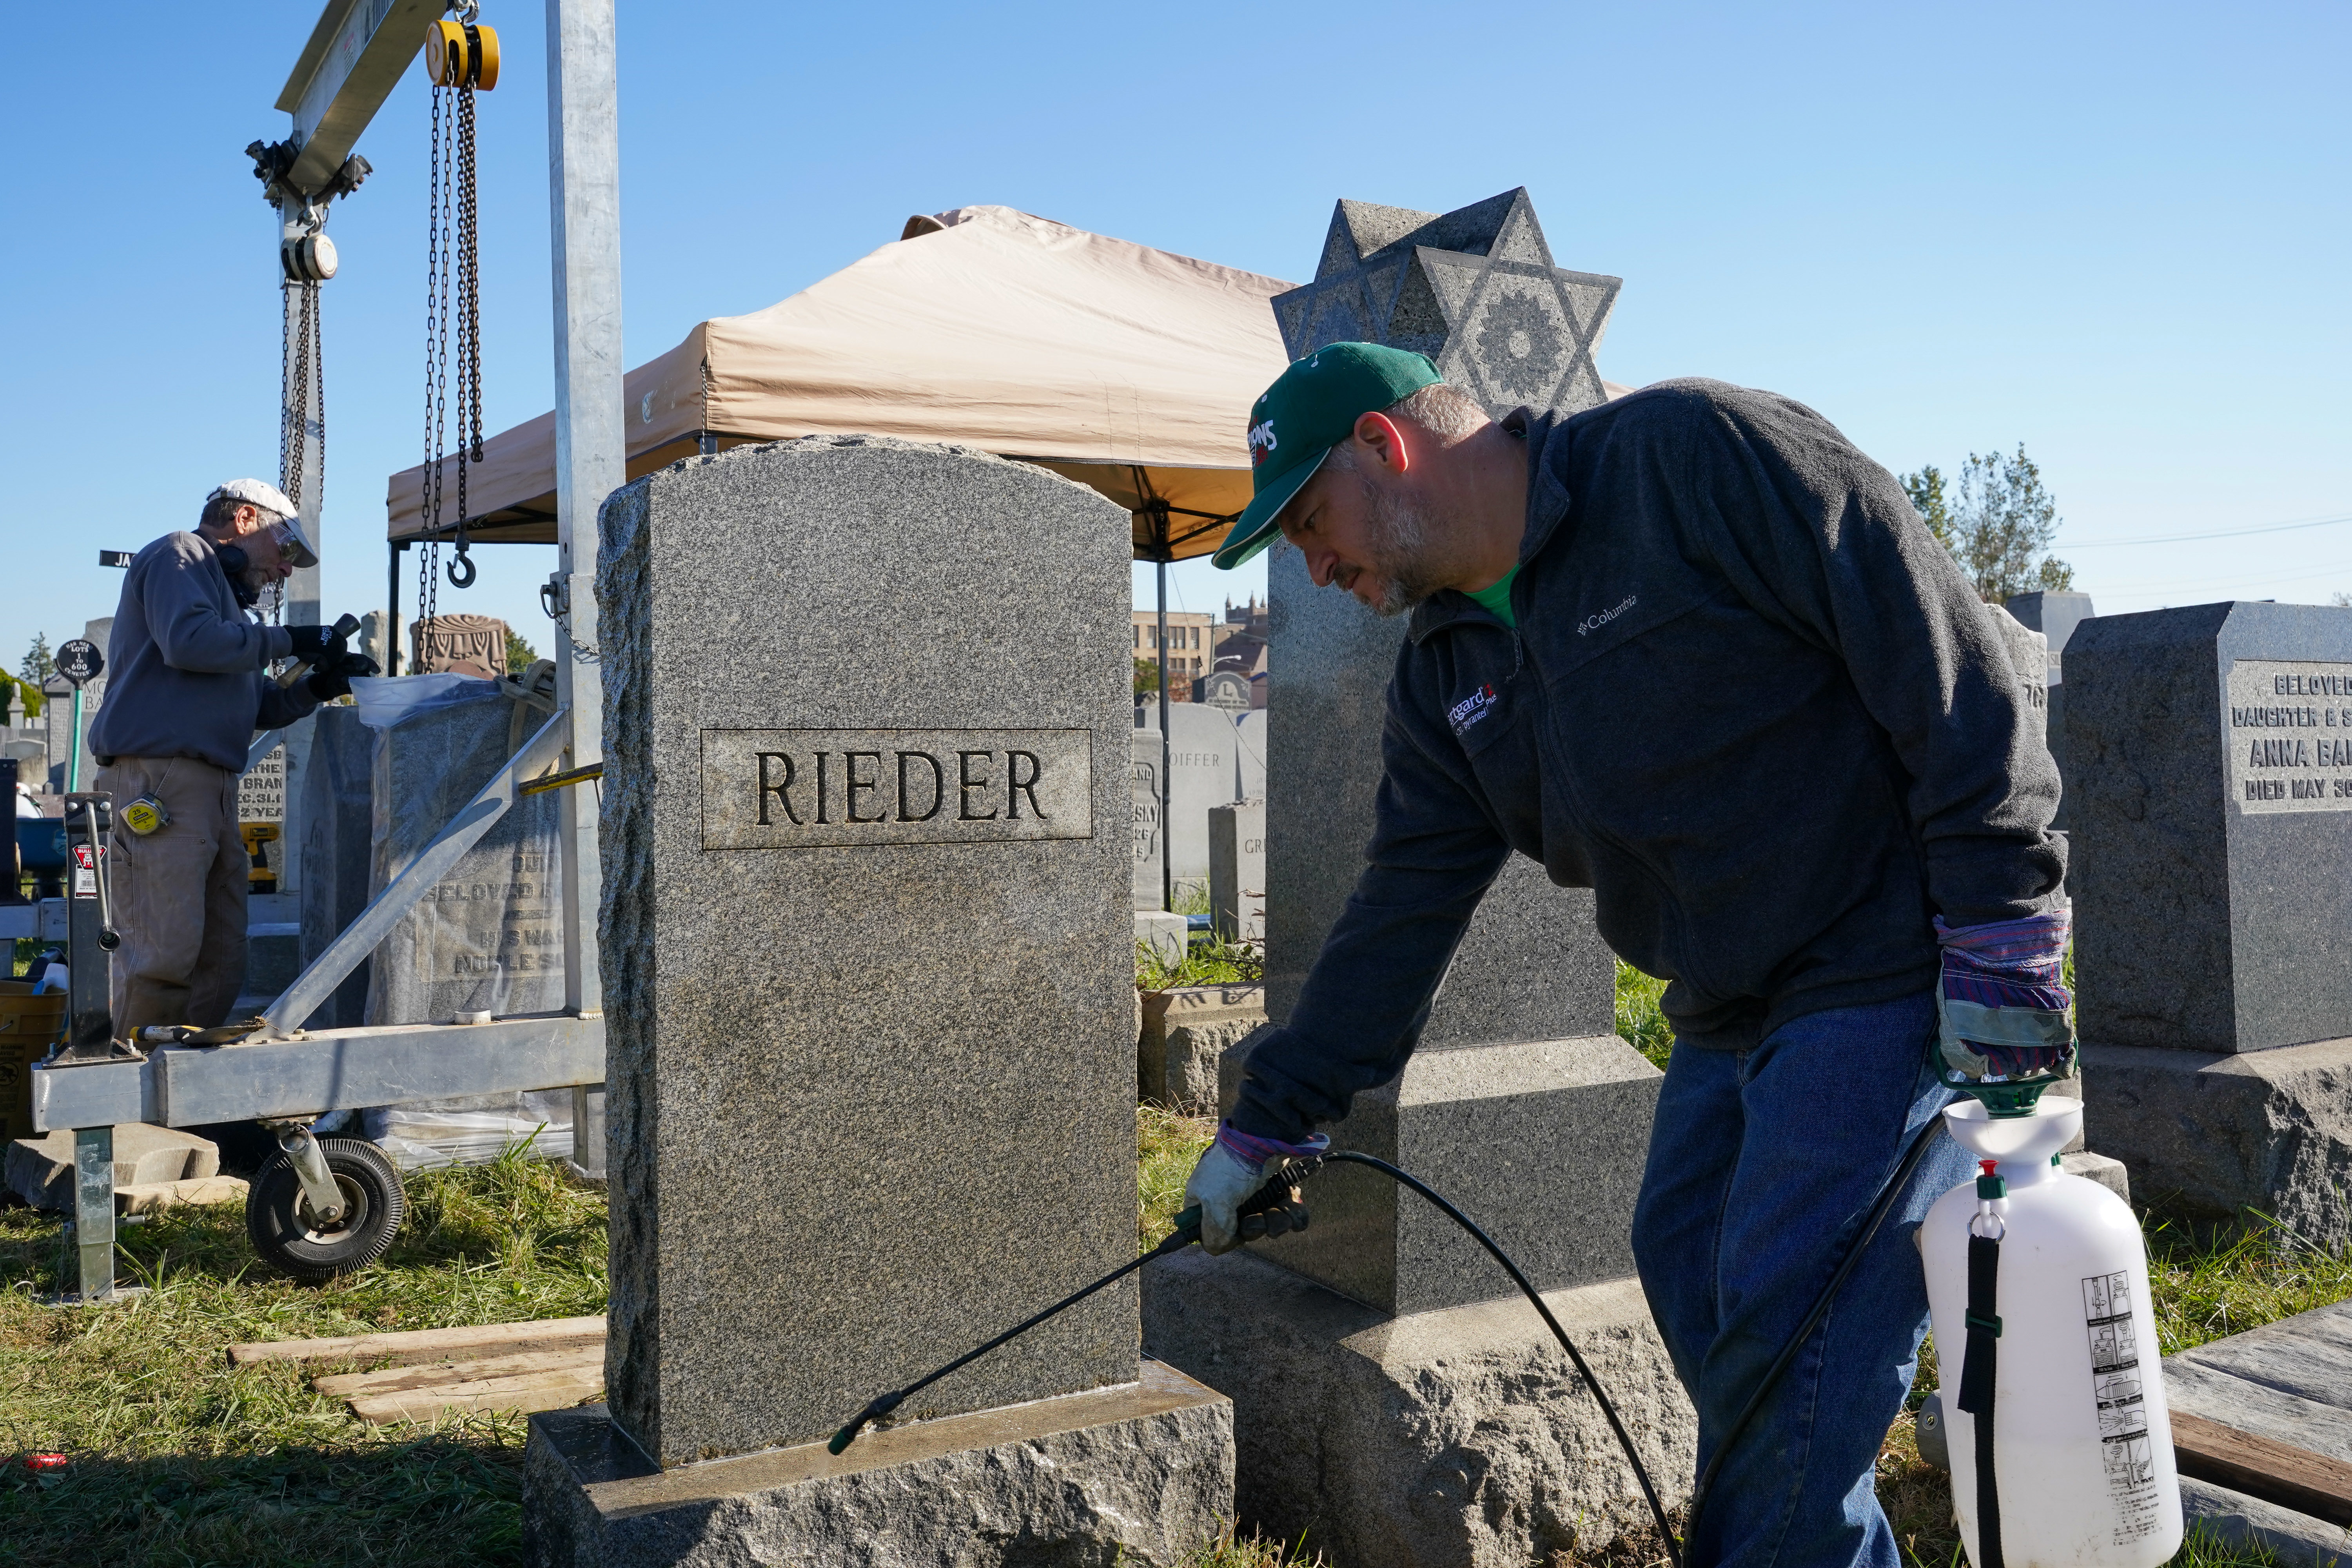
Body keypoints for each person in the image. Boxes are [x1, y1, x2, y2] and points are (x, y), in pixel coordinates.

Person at [1185, 344, 2071, 1568]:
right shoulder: (1449, 672)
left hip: (1882, 966)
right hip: (1723, 1006)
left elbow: (1943, 659)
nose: (1314, 566)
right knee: (1691, 1269)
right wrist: (1269, 1119)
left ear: (1386, 448)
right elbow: (1401, 911)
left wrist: (2004, 928)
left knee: (1780, 1349)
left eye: (1311, 522)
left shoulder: (1688, 460)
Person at [88, 479, 377, 1033]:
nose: (287, 568)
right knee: (162, 950)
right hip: (162, 779)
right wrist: (293, 638)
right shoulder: (182, 554)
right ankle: (125, 1089)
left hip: (206, 785)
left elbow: (254, 706)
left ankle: (183, 1090)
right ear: (245, 519)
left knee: (219, 958)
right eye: (285, 548)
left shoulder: (226, 606)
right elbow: (190, 643)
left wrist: (317, 687)